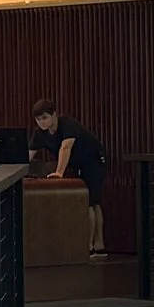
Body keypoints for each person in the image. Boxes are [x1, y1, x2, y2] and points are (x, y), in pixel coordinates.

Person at [33, 99, 109, 256]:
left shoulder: (68, 124)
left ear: (54, 115)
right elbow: (27, 154)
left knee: (90, 202)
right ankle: (98, 245)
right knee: (91, 203)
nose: (42, 123)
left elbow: (65, 147)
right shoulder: (40, 133)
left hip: (93, 161)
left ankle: (91, 246)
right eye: (38, 119)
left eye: (45, 118)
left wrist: (59, 172)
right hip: (78, 164)